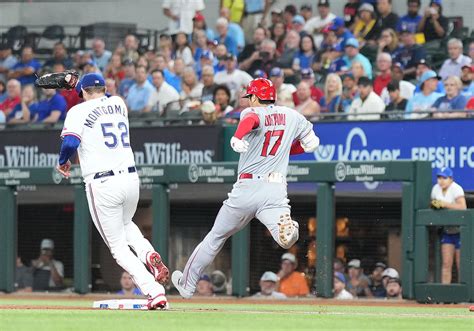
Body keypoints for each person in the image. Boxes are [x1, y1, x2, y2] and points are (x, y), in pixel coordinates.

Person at [171, 77, 320, 299]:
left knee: (215, 238)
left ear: (256, 96)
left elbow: (250, 119)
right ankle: (288, 234)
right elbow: (310, 142)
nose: (249, 101)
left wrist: (238, 136)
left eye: (250, 96)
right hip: (275, 189)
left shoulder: (253, 112)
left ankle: (187, 284)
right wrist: (306, 143)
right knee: (283, 235)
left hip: (248, 187)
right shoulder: (293, 115)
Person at [55, 72, 169, 309]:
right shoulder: (118, 103)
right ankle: (148, 254)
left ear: (84, 91)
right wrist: (78, 86)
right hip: (130, 179)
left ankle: (154, 291)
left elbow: (70, 143)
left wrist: (63, 160)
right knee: (126, 224)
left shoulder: (77, 111)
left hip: (103, 183)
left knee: (118, 248)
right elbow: (96, 98)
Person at [431, 167, 467, 284]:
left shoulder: (456, 188)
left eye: (444, 178)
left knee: (461, 265)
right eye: (439, 178)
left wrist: (444, 204)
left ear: (451, 179)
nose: (441, 180)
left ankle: (464, 295)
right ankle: (445, 295)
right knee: (446, 263)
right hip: (447, 231)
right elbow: (431, 204)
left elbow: (462, 207)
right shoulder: (436, 189)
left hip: (461, 232)